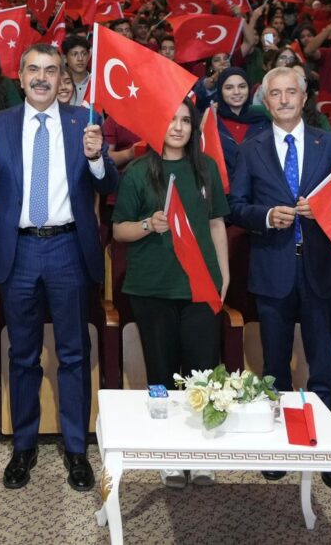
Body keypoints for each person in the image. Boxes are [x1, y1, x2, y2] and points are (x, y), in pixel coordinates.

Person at [0, 44, 118, 492]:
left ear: (62, 76)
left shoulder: (84, 120)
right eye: (34, 69)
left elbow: (109, 184)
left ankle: (76, 449)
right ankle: (23, 446)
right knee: (22, 354)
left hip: (68, 248)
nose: (42, 77)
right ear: (21, 77)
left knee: (74, 353)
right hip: (19, 251)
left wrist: (97, 158)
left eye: (51, 70)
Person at [228, 66, 331, 490]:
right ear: (266, 102)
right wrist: (266, 216)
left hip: (321, 269)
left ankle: (326, 450)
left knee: (323, 365)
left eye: (290, 92)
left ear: (304, 98)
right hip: (273, 269)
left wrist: (326, 209)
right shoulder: (251, 148)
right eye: (275, 94)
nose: (283, 100)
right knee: (274, 365)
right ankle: (279, 447)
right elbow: (236, 206)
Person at [111, 99, 230, 489]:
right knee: (161, 372)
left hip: (200, 285)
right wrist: (148, 224)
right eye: (171, 120)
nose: (178, 127)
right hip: (153, 287)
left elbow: (216, 224)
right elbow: (119, 230)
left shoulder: (205, 167)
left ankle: (203, 453)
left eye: (185, 121)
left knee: (203, 372)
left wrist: (224, 275)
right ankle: (169, 455)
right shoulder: (138, 171)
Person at [211, 67, 272, 145]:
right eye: (229, 88)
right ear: (220, 91)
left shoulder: (262, 121)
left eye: (242, 86)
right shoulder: (212, 119)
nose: (236, 92)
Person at [63, 35, 93, 106]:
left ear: (89, 56)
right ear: (65, 58)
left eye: (84, 54)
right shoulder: (60, 85)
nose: (80, 58)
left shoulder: (96, 84)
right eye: (74, 54)